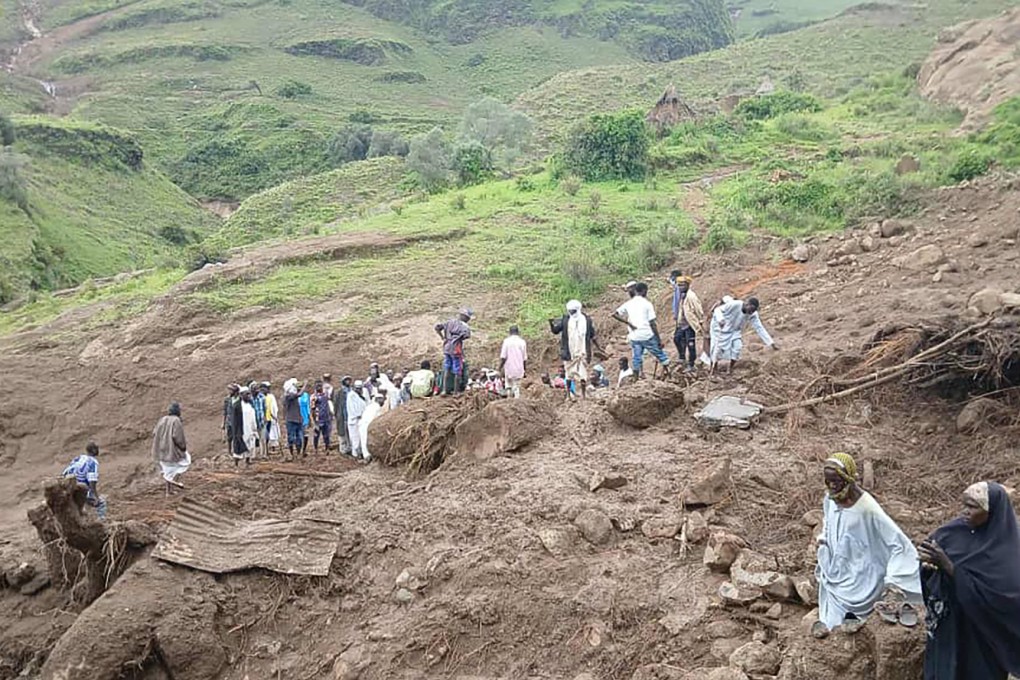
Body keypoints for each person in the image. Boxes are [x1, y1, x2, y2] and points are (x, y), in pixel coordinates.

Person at [919, 481, 1020, 680]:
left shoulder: (1008, 550)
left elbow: (1005, 600)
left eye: (973, 507)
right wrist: (929, 568)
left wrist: (949, 567)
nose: (965, 512)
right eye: (964, 505)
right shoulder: (952, 532)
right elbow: (931, 564)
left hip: (982, 637)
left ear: (992, 512)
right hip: (951, 627)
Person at [813, 453, 921, 637]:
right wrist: (824, 540)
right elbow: (829, 522)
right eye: (828, 481)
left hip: (863, 575)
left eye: (836, 481)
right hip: (838, 570)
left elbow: (898, 543)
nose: (831, 486)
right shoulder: (830, 498)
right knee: (832, 623)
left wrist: (893, 580)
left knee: (856, 613)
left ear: (849, 478)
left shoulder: (867, 508)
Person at [613, 282, 671, 379]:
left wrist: (629, 323)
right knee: (660, 354)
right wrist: (658, 340)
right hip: (646, 334)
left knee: (637, 357)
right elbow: (652, 323)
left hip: (635, 336)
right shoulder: (647, 304)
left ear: (635, 290)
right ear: (644, 291)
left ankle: (636, 378)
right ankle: (669, 374)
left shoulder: (628, 304)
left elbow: (614, 314)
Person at [708, 295, 778, 374]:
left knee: (737, 347)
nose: (750, 312)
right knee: (716, 348)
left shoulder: (753, 314)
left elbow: (759, 328)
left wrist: (771, 342)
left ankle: (730, 368)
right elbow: (718, 310)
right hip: (719, 327)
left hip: (734, 331)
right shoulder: (735, 304)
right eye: (750, 310)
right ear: (747, 304)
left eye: (753, 311)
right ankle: (713, 369)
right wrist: (721, 320)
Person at [550, 300, 600, 399]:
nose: (571, 313)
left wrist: (598, 347)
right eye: (570, 311)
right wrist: (551, 324)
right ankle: (568, 395)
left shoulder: (587, 320)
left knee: (583, 374)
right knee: (568, 374)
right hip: (569, 352)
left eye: (573, 311)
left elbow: (592, 334)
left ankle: (583, 395)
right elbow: (556, 331)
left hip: (582, 352)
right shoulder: (565, 320)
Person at [669, 270, 705, 373]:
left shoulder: (691, 296)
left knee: (691, 344)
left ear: (688, 285)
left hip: (690, 324)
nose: (680, 287)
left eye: (683, 285)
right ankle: (682, 357)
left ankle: (691, 364)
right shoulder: (682, 295)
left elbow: (699, 310)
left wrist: (700, 321)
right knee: (677, 339)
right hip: (682, 323)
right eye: (679, 285)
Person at [152, 402, 190, 496]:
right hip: (171, 449)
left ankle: (168, 491)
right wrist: (183, 447)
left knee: (167, 469)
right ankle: (174, 482)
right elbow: (177, 436)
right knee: (183, 463)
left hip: (161, 449)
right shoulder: (176, 421)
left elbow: (154, 432)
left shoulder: (162, 419)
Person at [61, 442, 107, 519]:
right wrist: (95, 496)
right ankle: (101, 522)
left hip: (67, 486)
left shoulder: (78, 458)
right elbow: (92, 480)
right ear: (93, 450)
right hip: (80, 489)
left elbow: (66, 471)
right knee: (101, 503)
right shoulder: (93, 462)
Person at [435, 308, 473, 395]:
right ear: (466, 318)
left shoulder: (449, 322)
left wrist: (442, 337)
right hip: (456, 349)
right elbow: (467, 336)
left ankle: (444, 390)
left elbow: (437, 327)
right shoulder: (464, 326)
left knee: (447, 368)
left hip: (447, 348)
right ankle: (456, 392)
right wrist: (458, 338)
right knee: (457, 370)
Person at [500, 326, 528, 399]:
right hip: (519, 368)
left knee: (508, 385)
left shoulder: (506, 341)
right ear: (518, 332)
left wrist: (500, 367)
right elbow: (524, 358)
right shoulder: (522, 342)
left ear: (509, 332)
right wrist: (524, 369)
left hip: (509, 368)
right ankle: (516, 401)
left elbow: (503, 357)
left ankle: (509, 399)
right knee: (517, 386)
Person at [359, 391, 387, 462]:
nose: (383, 401)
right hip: (366, 424)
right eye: (382, 399)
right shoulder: (376, 407)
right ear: (378, 399)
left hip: (366, 424)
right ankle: (367, 457)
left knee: (365, 440)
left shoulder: (371, 406)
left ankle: (368, 456)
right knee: (365, 440)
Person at [234, 386, 258, 466]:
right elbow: (234, 420)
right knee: (239, 445)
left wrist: (254, 428)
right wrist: (236, 432)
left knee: (250, 444)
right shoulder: (237, 406)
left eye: (249, 394)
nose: (248, 396)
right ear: (241, 395)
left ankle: (248, 460)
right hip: (241, 429)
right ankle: (236, 463)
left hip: (250, 428)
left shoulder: (250, 404)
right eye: (246, 394)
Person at [346, 380, 368, 459]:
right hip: (354, 420)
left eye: (360, 388)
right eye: (357, 388)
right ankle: (356, 454)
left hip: (363, 419)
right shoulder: (351, 395)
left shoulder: (364, 393)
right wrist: (358, 415)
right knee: (355, 438)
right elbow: (352, 409)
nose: (359, 390)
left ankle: (362, 453)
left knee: (362, 437)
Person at [283, 379, 305, 458]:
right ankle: (292, 454)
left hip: (296, 419)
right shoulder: (288, 396)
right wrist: (304, 385)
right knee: (292, 438)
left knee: (298, 438)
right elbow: (299, 394)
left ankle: (297, 453)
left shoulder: (290, 396)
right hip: (292, 420)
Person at [312, 381, 333, 452]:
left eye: (320, 386)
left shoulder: (325, 395)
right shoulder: (314, 397)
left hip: (326, 417)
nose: (319, 388)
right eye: (317, 386)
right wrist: (314, 421)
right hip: (318, 418)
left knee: (326, 435)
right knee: (316, 435)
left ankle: (327, 448)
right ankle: (315, 448)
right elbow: (312, 409)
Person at [261, 382, 281, 453]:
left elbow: (272, 408)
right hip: (263, 419)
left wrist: (274, 416)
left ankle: (272, 448)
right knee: (265, 435)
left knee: (271, 433)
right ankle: (265, 450)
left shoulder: (271, 397)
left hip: (270, 418)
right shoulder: (260, 397)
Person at [335, 376, 352, 454]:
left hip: (351, 415)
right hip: (342, 415)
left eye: (349, 380)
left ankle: (350, 448)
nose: (348, 382)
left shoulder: (352, 391)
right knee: (342, 433)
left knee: (351, 433)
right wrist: (337, 414)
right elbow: (336, 404)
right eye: (346, 380)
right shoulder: (339, 392)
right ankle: (343, 449)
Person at [250, 382, 267, 457]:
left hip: (261, 420)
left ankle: (263, 454)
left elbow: (264, 408)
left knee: (263, 438)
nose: (256, 390)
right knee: (253, 439)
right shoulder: (249, 398)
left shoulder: (262, 397)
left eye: (257, 389)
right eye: (254, 389)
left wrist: (265, 417)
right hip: (252, 422)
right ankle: (253, 455)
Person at [223, 384, 239, 457]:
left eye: (231, 390)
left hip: (237, 421)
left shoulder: (238, 399)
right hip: (229, 421)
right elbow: (225, 411)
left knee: (236, 436)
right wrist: (223, 422)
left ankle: (236, 450)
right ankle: (229, 451)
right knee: (229, 437)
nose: (229, 391)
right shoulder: (227, 399)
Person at [299, 383, 312, 453]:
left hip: (305, 417)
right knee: (299, 435)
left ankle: (304, 450)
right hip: (297, 417)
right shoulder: (296, 396)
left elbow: (308, 406)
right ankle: (299, 449)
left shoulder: (306, 395)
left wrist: (309, 417)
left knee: (305, 434)